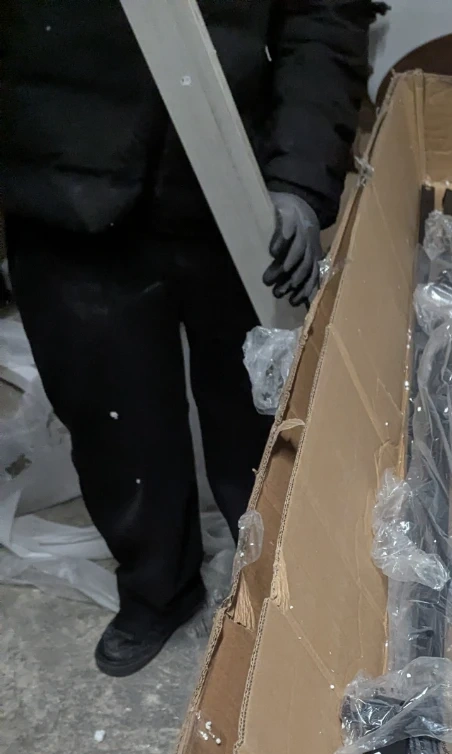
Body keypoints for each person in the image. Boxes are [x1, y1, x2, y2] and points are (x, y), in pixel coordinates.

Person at [0, 1, 377, 675]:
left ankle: (278, 590)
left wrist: (300, 178)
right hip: (60, 170)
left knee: (263, 419)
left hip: (237, 180)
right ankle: (158, 587)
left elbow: (324, 16)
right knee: (115, 423)